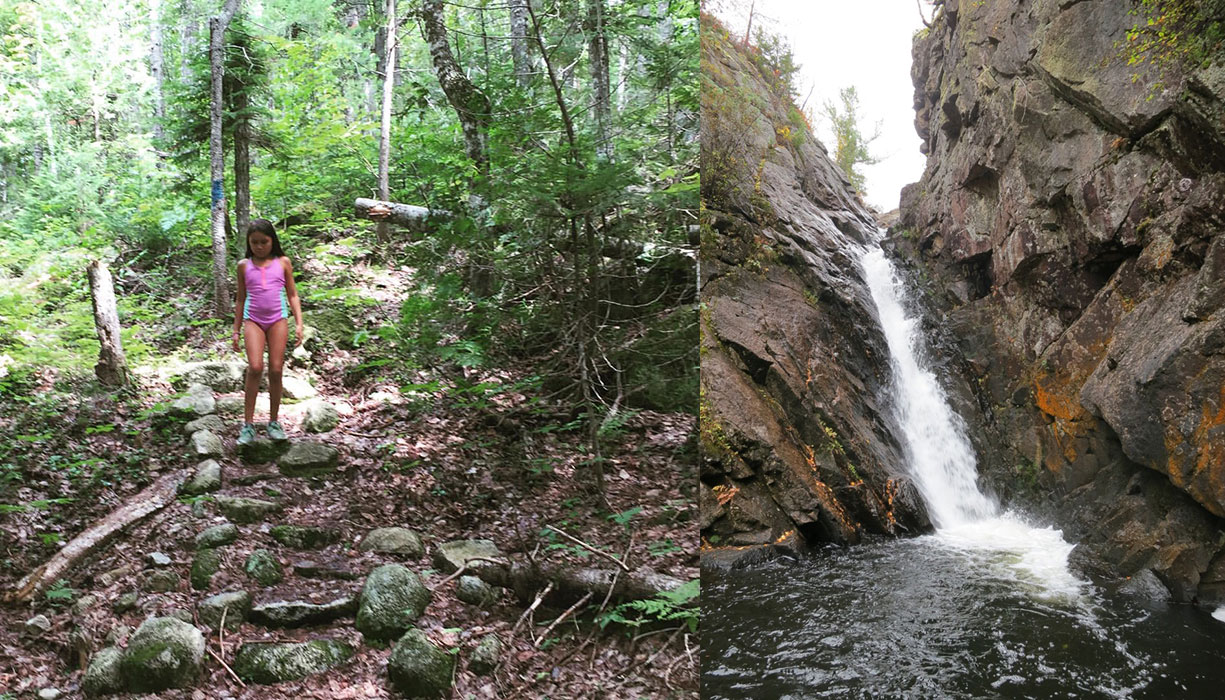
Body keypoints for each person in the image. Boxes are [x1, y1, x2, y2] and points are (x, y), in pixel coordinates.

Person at [231, 219, 303, 445]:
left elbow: (292, 294)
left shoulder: (283, 262)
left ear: (273, 240)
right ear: (248, 243)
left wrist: (299, 322)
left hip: (277, 319)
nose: (260, 246)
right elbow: (241, 297)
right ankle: (248, 424)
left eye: (264, 241)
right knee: (254, 367)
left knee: (275, 369)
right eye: (255, 242)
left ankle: (273, 421)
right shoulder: (244, 265)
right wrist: (235, 329)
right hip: (252, 320)